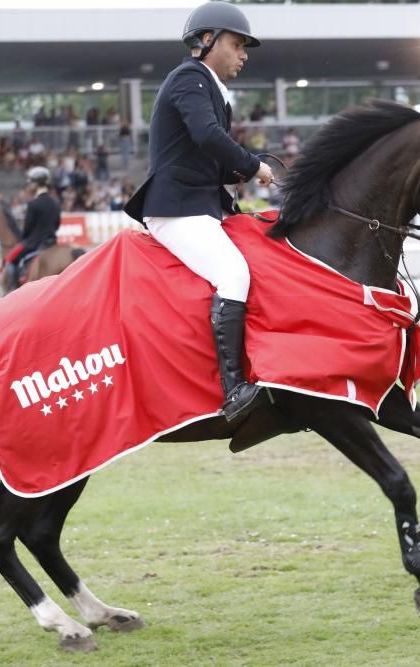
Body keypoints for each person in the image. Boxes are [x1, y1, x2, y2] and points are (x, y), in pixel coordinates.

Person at [123, 0, 273, 422]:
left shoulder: (211, 88)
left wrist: (256, 166)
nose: (244, 54)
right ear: (207, 40)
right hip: (176, 208)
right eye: (237, 44)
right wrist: (250, 165)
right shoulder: (190, 77)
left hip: (199, 204)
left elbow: (210, 156)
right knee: (233, 274)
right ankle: (233, 391)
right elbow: (207, 136)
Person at [5, 166, 61, 291]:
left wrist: (22, 238)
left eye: (31, 183)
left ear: (36, 184)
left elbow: (28, 230)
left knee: (10, 260)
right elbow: (57, 224)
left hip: (35, 243)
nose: (29, 186)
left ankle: (12, 289)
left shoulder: (33, 204)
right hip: (52, 242)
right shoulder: (55, 202)